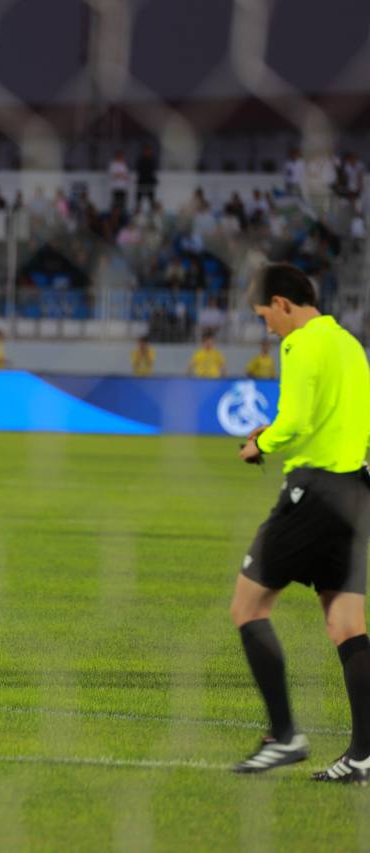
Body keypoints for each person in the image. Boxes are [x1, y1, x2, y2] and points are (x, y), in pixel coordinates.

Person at [229, 263, 370, 783]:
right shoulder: (350, 345)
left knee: (247, 606)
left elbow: (297, 421)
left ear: (283, 304)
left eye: (264, 315)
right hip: (355, 491)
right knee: (346, 624)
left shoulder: (300, 344)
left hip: (313, 493)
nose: (267, 327)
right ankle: (364, 756)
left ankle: (284, 735)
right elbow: (341, 418)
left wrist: (260, 443)